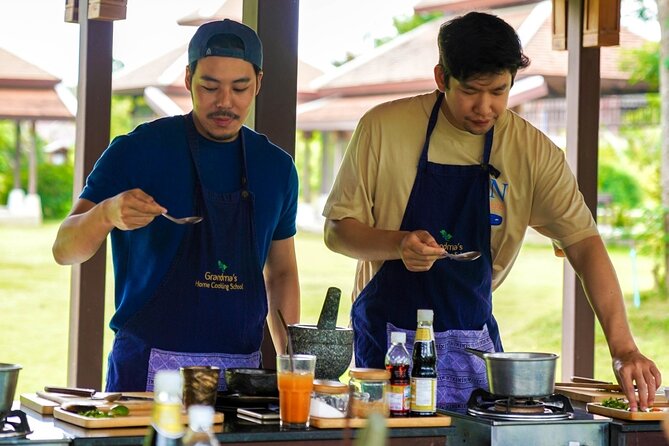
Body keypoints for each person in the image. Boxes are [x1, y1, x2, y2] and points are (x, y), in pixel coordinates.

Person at [322, 11, 661, 411]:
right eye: (470, 91)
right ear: (440, 77)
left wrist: (623, 348)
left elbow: (584, 244)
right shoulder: (383, 128)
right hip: (391, 343)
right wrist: (398, 244)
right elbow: (338, 231)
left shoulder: (531, 151)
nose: (485, 107)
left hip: (474, 345)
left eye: (499, 91)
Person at [52, 19, 300, 392]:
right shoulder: (138, 150)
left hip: (239, 380)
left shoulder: (276, 168)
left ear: (259, 84)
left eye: (240, 88)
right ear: (188, 79)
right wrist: (107, 213)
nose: (225, 102)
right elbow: (64, 247)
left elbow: (280, 274)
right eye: (210, 86)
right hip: (145, 369)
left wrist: (291, 366)